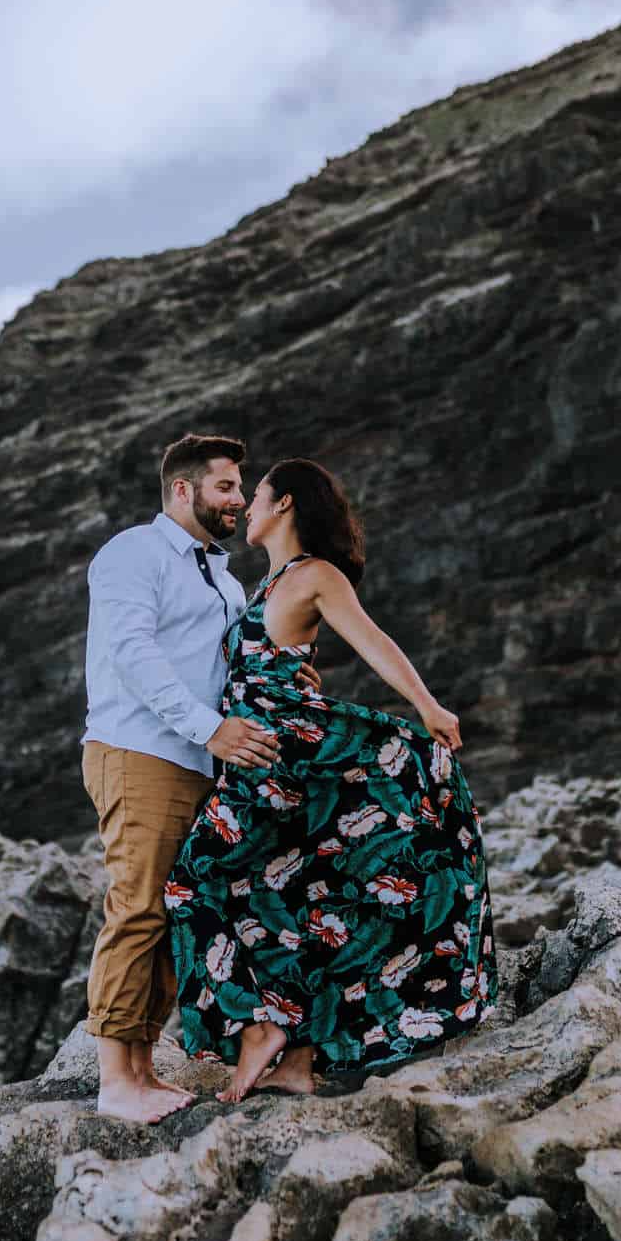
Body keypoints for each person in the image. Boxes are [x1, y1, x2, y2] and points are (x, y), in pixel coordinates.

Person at [168, 457, 493, 1102]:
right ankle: (298, 1057)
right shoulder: (265, 585)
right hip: (260, 757)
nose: (247, 506)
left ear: (285, 503)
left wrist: (427, 707)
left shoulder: (315, 574)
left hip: (283, 753)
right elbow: (259, 665)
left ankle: (261, 1026)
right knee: (301, 901)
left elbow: (373, 641)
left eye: (257, 494)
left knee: (191, 884)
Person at [79, 433, 321, 1122]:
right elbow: (132, 651)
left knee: (173, 910)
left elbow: (230, 668)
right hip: (139, 749)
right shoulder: (134, 552)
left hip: (196, 760)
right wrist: (208, 728)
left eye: (241, 489)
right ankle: (114, 1081)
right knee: (137, 907)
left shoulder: (224, 580)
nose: (238, 499)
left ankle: (143, 1067)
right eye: (225, 487)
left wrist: (288, 677)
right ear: (182, 490)